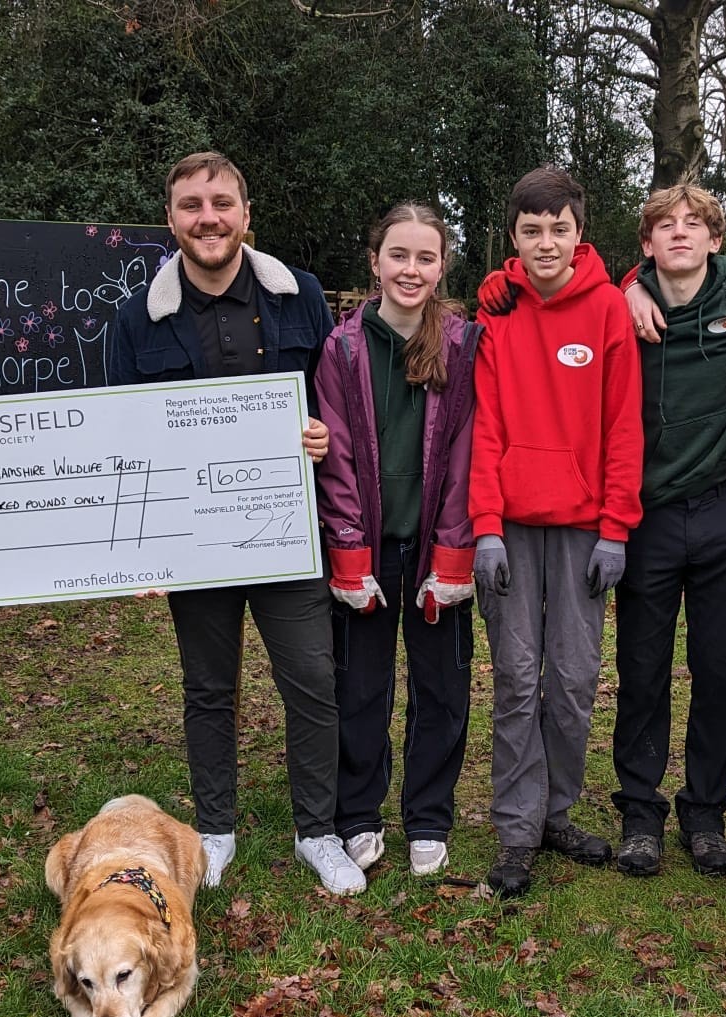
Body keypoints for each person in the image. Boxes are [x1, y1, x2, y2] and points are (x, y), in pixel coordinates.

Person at [105, 151, 364, 896]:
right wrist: (141, 553)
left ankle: (316, 830)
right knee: (208, 688)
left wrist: (321, 433)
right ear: (171, 220)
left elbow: (332, 396)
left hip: (286, 530)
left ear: (247, 215)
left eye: (221, 202)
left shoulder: (299, 297)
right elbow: (122, 439)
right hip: (195, 545)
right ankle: (214, 829)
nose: (208, 217)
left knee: (313, 682)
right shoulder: (137, 319)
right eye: (191, 205)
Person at [471, 166, 644, 898]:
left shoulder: (608, 310)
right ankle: (516, 829)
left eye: (560, 229)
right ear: (513, 236)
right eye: (532, 231)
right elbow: (484, 428)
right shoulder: (497, 313)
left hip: (583, 533)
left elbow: (624, 426)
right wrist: (484, 527)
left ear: (580, 233)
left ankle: (559, 813)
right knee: (515, 681)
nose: (547, 243)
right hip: (510, 524)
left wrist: (616, 529)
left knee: (572, 682)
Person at [604, 184, 726, 878]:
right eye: (664, 226)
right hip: (649, 514)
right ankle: (640, 814)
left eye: (693, 224)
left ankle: (706, 815)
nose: (679, 234)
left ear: (715, 239)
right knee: (641, 671)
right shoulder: (622, 307)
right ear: (646, 244)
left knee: (718, 672)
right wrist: (627, 287)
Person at [315, 203, 480, 878]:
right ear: (375, 261)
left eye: (426, 257)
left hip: (440, 542)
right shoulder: (343, 348)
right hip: (372, 546)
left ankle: (430, 816)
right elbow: (339, 456)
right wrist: (349, 553)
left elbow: (471, 451)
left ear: (442, 266)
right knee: (361, 686)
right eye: (399, 255)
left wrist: (454, 549)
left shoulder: (465, 345)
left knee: (442, 686)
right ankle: (357, 814)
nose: (411, 269)